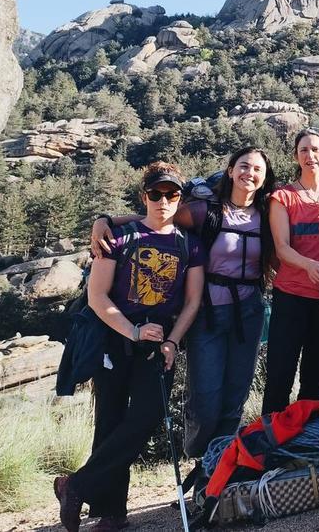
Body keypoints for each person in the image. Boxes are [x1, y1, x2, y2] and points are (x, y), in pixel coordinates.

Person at [90, 147, 277, 461]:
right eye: (243, 166)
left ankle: (219, 466)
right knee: (205, 397)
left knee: (236, 394)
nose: (249, 173)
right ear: (231, 170)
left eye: (257, 169)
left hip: (249, 311)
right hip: (208, 311)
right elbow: (156, 217)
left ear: (264, 177)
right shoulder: (206, 211)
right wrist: (105, 221)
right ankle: (199, 458)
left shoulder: (268, 213)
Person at [55, 162, 205, 532]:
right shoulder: (119, 238)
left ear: (180, 198)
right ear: (144, 196)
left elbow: (192, 302)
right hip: (114, 340)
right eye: (156, 193)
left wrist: (172, 341)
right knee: (109, 422)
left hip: (159, 345)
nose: (163, 200)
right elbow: (97, 296)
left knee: (147, 416)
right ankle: (111, 513)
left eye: (171, 194)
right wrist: (132, 331)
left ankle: (75, 485)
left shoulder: (189, 244)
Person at [263, 127, 319, 414]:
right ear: (295, 157)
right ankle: (269, 442)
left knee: (315, 374)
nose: (310, 155)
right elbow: (282, 248)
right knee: (280, 372)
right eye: (304, 150)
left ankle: (307, 438)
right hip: (291, 294)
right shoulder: (283, 198)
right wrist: (309, 265)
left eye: (316, 149)